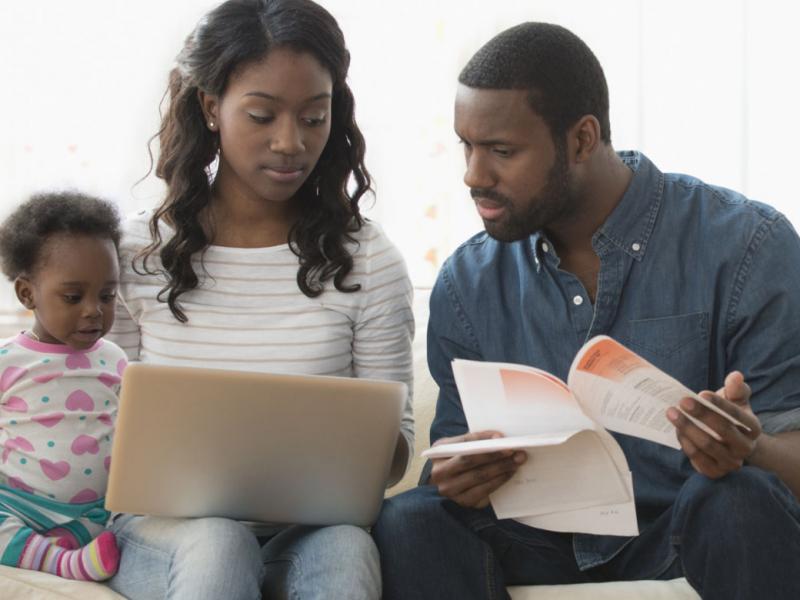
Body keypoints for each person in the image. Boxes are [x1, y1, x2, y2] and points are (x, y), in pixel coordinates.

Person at [372, 22, 800, 600]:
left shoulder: (747, 245)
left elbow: (789, 465)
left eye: (502, 151)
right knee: (410, 518)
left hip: (682, 532)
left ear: (581, 139)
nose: (474, 175)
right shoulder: (466, 282)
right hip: (531, 544)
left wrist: (747, 447)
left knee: (736, 498)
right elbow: (453, 456)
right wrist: (456, 474)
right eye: (467, 146)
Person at [103, 0, 414, 599]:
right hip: (165, 533)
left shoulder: (370, 260)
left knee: (349, 548)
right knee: (219, 544)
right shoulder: (136, 250)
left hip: (309, 531)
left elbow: (394, 456)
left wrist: (357, 447)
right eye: (262, 115)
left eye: (314, 117)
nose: (291, 143)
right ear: (209, 107)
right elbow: (99, 416)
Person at [0, 192, 128, 582]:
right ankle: (62, 563)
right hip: (19, 505)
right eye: (73, 297)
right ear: (27, 294)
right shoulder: (8, 361)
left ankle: (65, 552)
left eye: (106, 295)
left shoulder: (116, 360)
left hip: (93, 513)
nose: (94, 309)